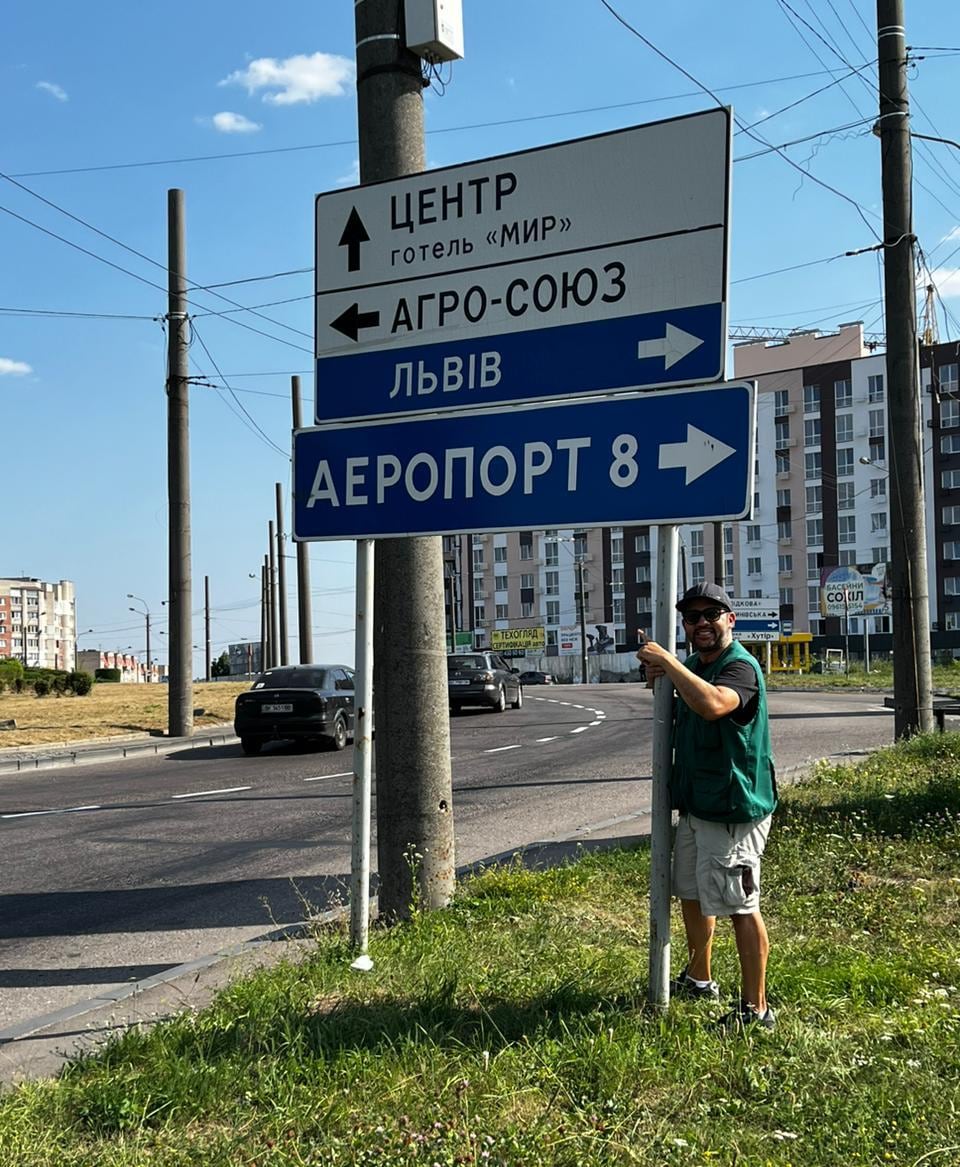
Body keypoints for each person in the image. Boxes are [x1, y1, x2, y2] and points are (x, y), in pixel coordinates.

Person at [637, 583, 778, 1031]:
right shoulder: (697, 665)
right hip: (699, 803)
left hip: (733, 808)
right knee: (693, 896)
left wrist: (671, 665)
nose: (701, 623)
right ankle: (700, 978)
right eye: (692, 617)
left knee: (739, 905)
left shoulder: (740, 668)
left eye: (711, 614)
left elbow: (715, 705)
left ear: (730, 620)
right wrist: (668, 675)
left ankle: (756, 1010)